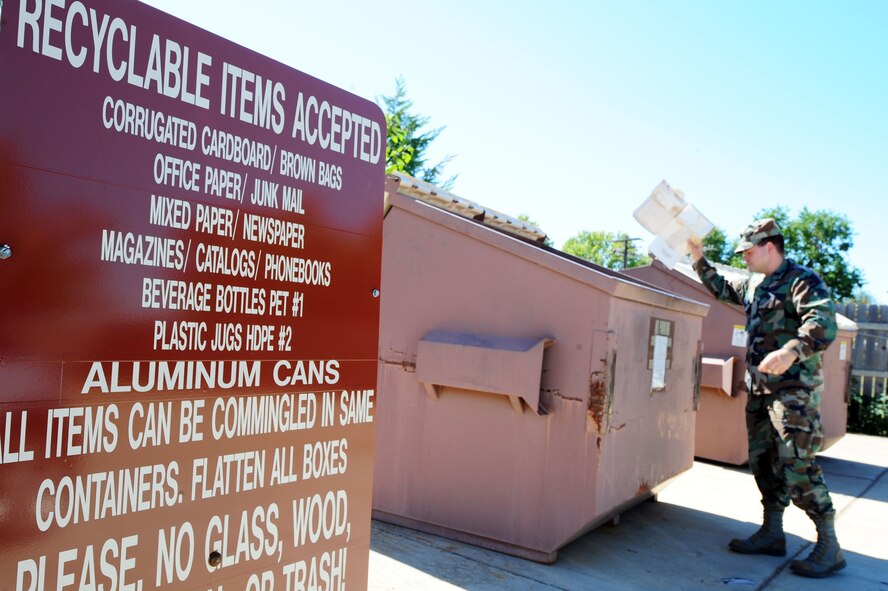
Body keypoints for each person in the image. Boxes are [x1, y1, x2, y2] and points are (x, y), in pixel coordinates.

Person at [687, 218, 844, 578]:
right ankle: (773, 532)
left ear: (769, 246)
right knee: (764, 463)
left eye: (748, 250)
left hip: (792, 395)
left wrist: (792, 350)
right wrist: (698, 256)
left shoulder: (802, 280)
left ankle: (829, 545)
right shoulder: (756, 284)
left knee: (797, 465)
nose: (743, 257)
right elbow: (722, 288)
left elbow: (822, 322)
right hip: (759, 392)